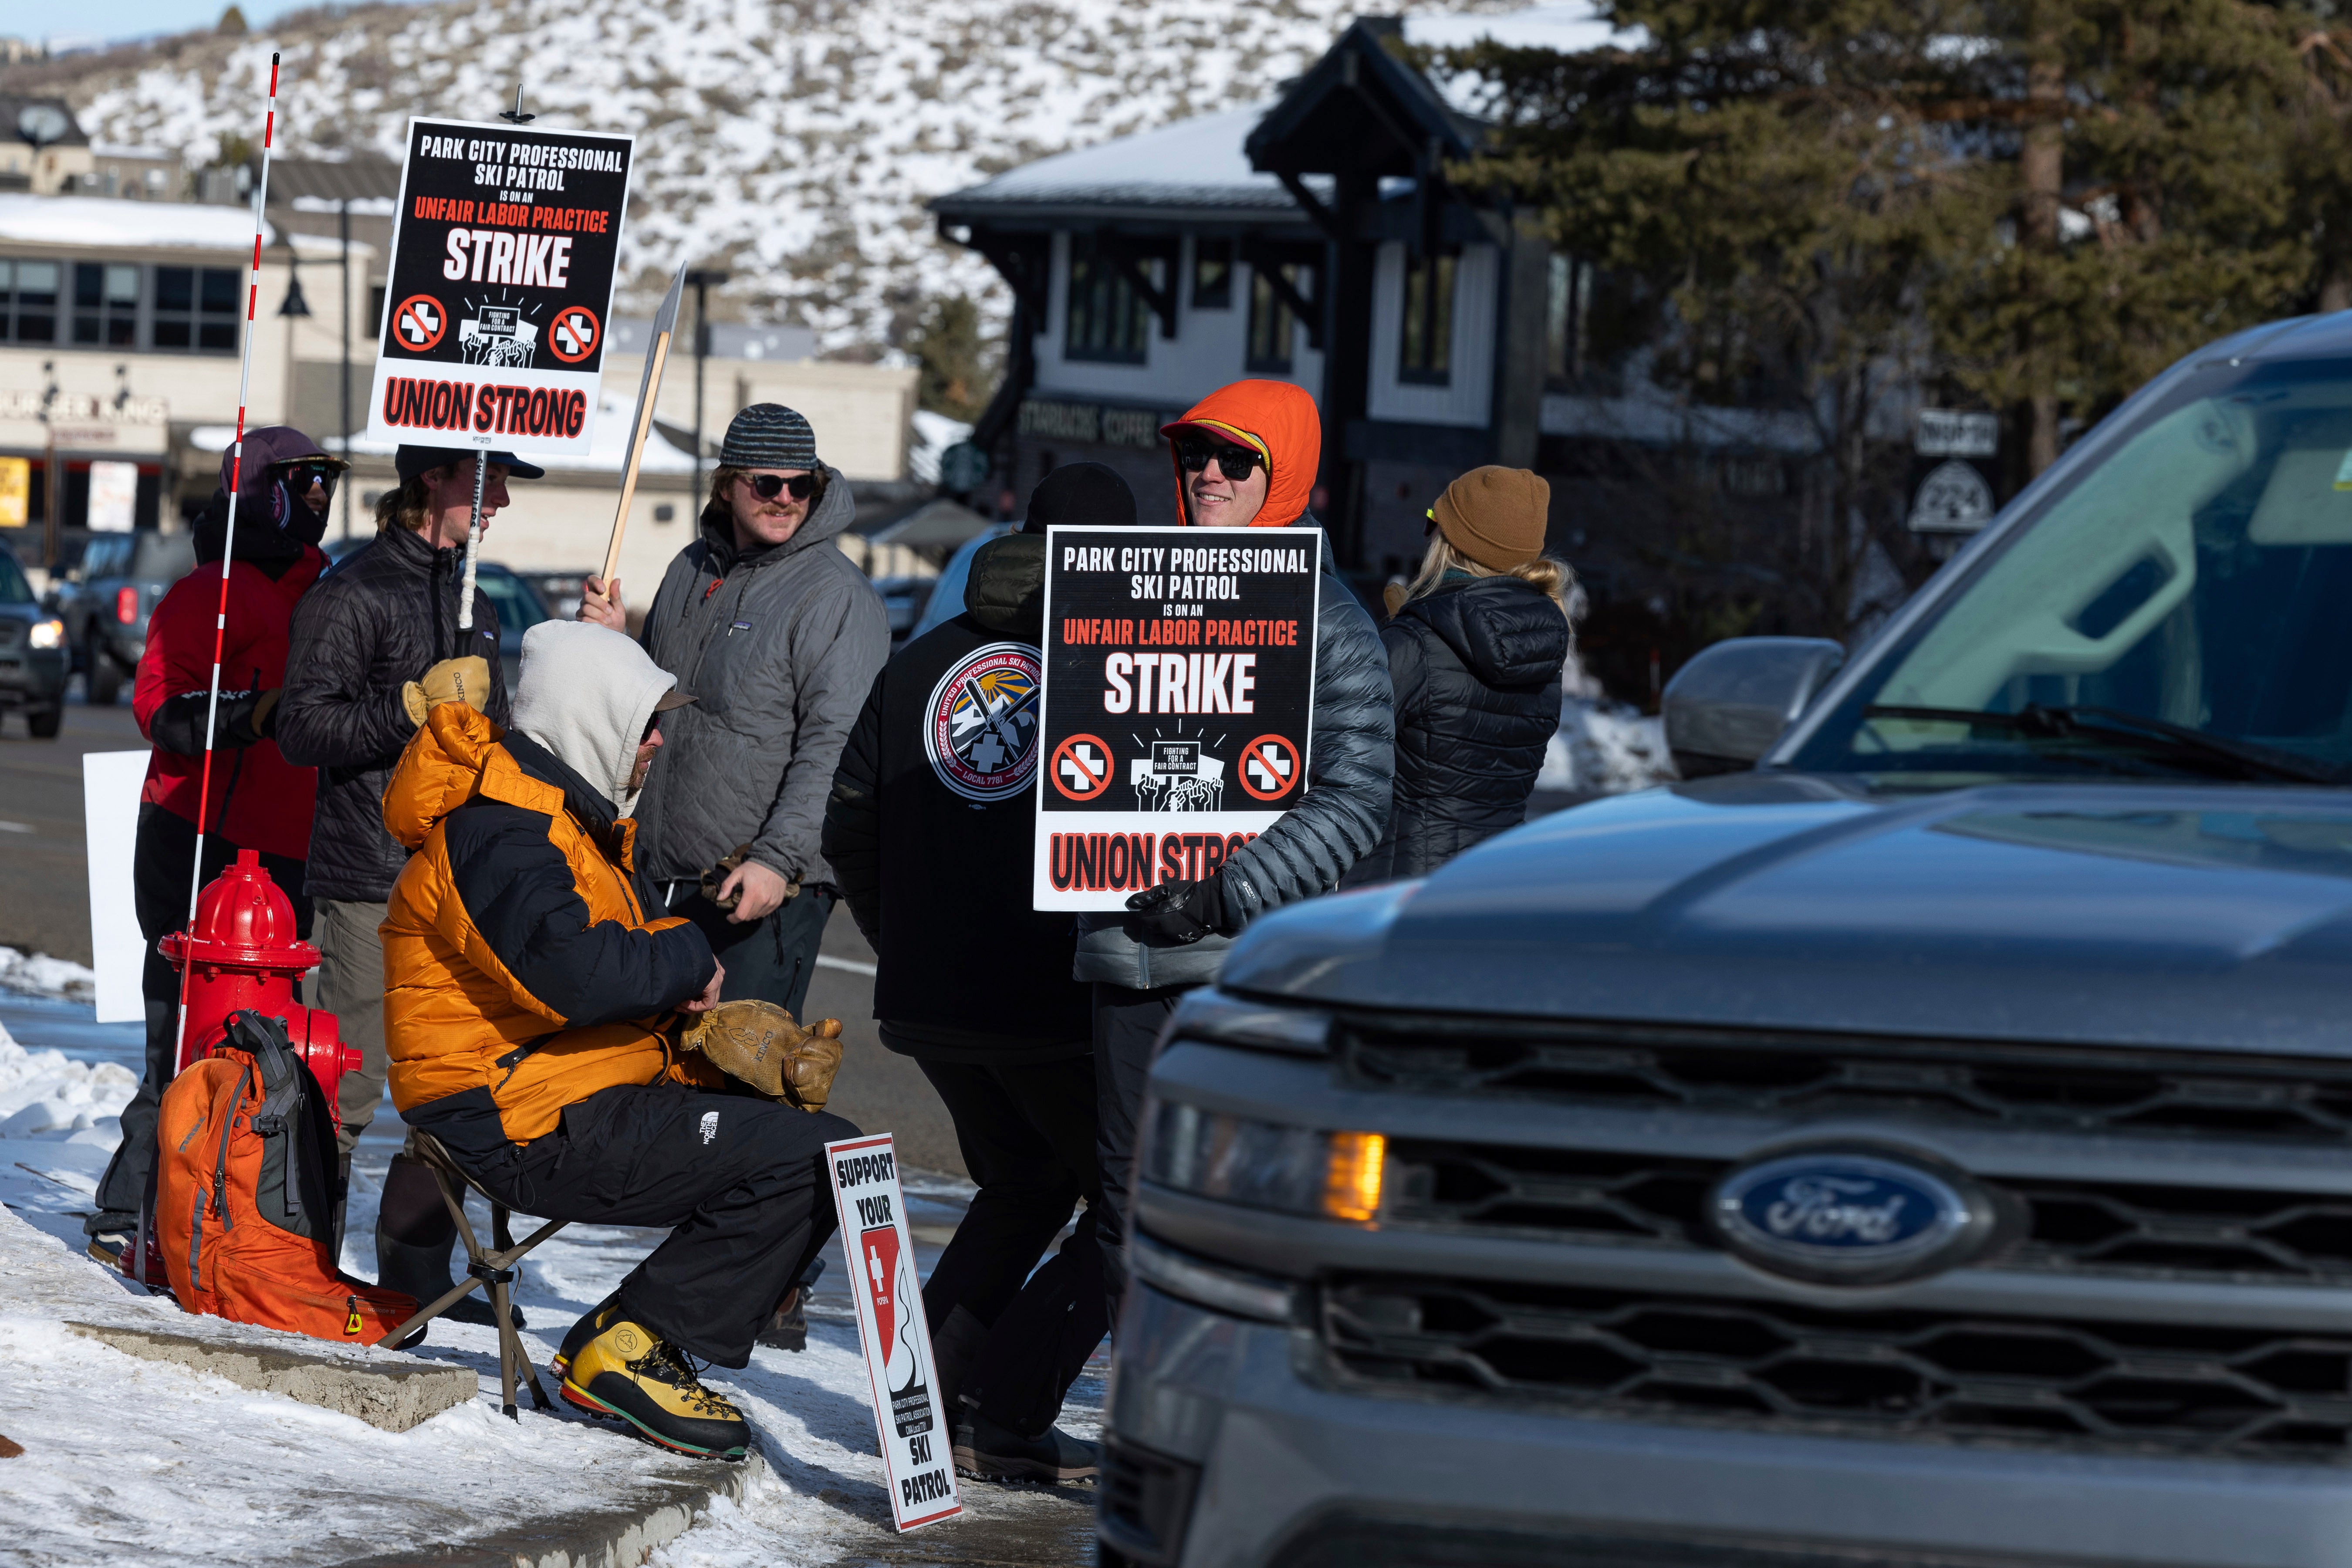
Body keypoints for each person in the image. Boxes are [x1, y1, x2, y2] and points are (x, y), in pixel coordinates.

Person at [379, 620, 855, 1461]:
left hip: (556, 1089)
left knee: (821, 1143)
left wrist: (710, 1055)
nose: (659, 742)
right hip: (516, 1117)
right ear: (591, 720)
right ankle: (629, 1347)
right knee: (809, 1159)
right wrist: (688, 956)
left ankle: (644, 1339)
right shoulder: (502, 832)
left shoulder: (559, 825)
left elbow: (585, 981)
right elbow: (574, 977)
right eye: (645, 725)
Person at [825, 462, 1135, 1484]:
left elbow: (850, 825)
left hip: (933, 999)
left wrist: (906, 939)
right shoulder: (1108, 666)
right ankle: (1005, 1405)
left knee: (1026, 1182)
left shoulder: (918, 663)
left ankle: (932, 1400)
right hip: (1050, 998)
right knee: (1136, 1205)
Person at [1084, 380, 1394, 1331]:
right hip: (1126, 952)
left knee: (1233, 1213)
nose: (1209, 474)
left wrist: (1227, 893)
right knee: (1123, 1210)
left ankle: (1215, 1398)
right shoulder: (1130, 589)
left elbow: (1357, 798)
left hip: (1245, 963)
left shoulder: (1328, 619)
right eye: (1194, 455)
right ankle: (1111, 1397)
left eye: (1236, 458)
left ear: (1284, 472)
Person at [277, 444, 536, 1305]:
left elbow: (492, 744)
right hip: (369, 883)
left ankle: (418, 1281)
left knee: (456, 1092)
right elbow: (302, 729)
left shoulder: (476, 599)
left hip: (456, 890)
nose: (501, 500)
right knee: (341, 1094)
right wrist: (410, 707)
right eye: (489, 480)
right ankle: (302, 1274)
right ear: (433, 478)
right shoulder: (352, 592)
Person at [86, 428, 342, 1260]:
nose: (320, 492)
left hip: (290, 853)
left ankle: (231, 1218)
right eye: (304, 479)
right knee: (183, 1044)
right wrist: (250, 713)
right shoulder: (210, 591)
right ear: (260, 491)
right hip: (198, 839)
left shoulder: (324, 592)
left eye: (327, 479)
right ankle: (129, 1213)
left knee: (269, 1054)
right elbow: (161, 711)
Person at [579, 403, 889, 1024]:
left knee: (734, 1069)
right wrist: (615, 645)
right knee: (647, 1064)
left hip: (759, 887)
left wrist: (776, 860)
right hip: (658, 878)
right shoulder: (689, 568)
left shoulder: (836, 595)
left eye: (801, 484)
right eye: (766, 483)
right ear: (727, 485)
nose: (785, 499)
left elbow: (835, 748)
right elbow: (652, 703)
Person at [1348, 466, 1574, 885]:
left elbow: (1338, 747)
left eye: (1433, 520)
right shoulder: (1545, 646)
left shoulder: (1415, 643)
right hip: (1497, 880)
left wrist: (1393, 642)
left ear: (1452, 542)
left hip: (1403, 882)